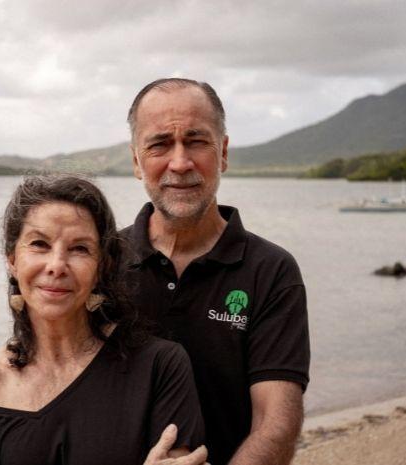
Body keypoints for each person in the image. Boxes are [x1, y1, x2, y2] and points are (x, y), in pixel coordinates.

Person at [0, 175, 209, 465]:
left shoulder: (159, 366)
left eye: (79, 248)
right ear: (12, 261)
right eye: (39, 244)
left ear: (101, 267)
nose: (57, 265)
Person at [121, 79, 311, 465]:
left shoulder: (271, 271)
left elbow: (275, 422)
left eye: (196, 141)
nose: (180, 163)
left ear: (223, 153)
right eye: (159, 144)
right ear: (136, 161)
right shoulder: (101, 262)